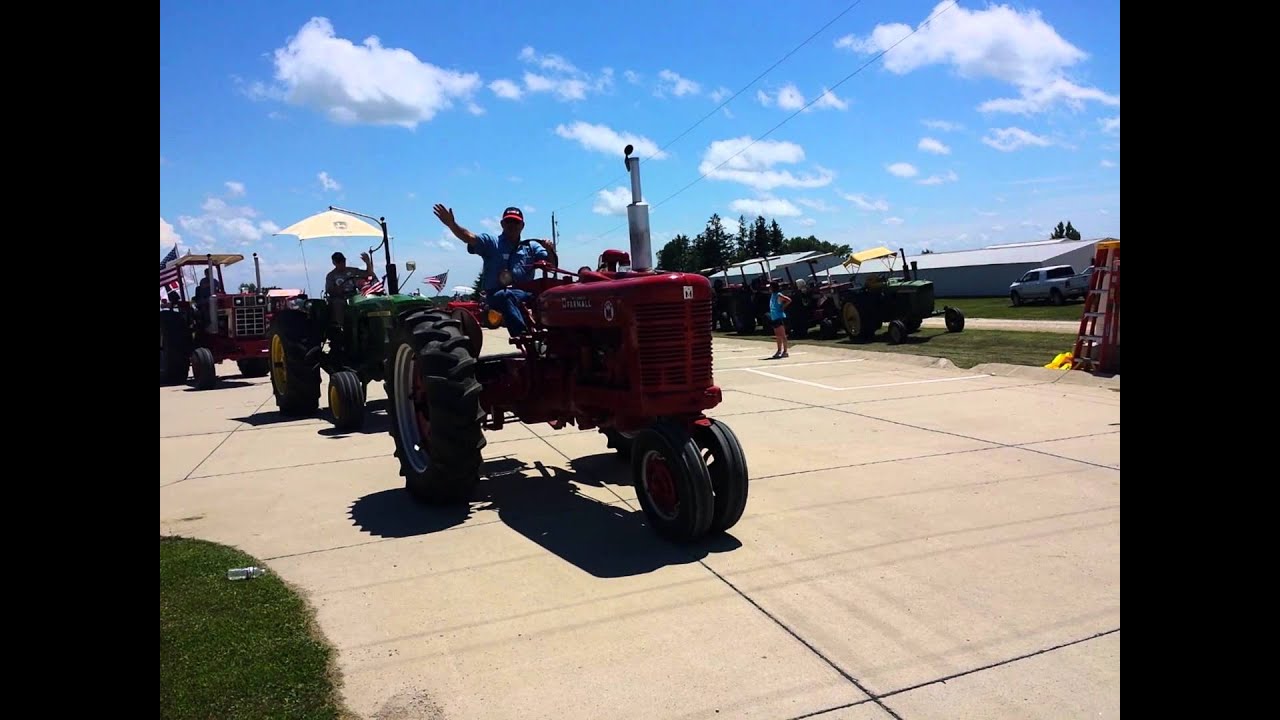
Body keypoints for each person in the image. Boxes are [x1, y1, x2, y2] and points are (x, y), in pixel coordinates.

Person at [433, 203, 548, 335]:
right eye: (508, 221)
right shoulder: (492, 243)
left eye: (516, 222)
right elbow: (469, 237)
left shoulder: (531, 247)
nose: (512, 225)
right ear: (502, 224)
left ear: (522, 226)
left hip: (525, 293)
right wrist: (452, 225)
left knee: (551, 296)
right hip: (497, 294)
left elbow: (551, 263)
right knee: (506, 295)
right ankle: (522, 334)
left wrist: (549, 248)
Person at [768, 280, 791, 359]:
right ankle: (779, 350)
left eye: (770, 287)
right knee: (778, 336)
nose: (769, 289)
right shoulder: (772, 295)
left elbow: (788, 300)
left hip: (779, 316)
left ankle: (785, 351)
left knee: (782, 335)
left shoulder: (778, 295)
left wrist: (783, 307)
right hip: (774, 317)